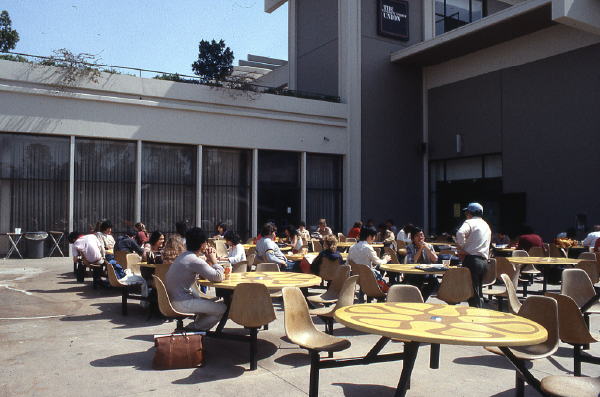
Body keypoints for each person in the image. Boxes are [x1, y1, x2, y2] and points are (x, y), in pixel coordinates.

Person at [165, 227, 227, 332]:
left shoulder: (184, 256)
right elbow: (218, 277)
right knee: (222, 309)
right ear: (202, 245)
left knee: (212, 306)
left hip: (174, 299)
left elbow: (206, 274)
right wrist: (213, 259)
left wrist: (208, 259)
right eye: (206, 243)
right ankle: (192, 329)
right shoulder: (194, 260)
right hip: (181, 302)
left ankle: (195, 328)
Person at [455, 203, 491, 308]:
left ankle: (476, 318)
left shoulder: (469, 222)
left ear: (469, 213)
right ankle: (480, 313)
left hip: (472, 261)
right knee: (478, 292)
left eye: (466, 212)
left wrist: (460, 248)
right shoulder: (486, 225)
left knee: (472, 294)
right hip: (484, 262)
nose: (466, 215)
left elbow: (460, 233)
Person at [404, 227, 439, 301]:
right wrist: (420, 249)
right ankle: (417, 299)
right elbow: (413, 261)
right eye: (417, 236)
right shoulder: (409, 247)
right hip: (413, 272)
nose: (420, 237)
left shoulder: (429, 246)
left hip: (426, 272)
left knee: (434, 281)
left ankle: (422, 299)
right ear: (412, 239)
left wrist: (428, 250)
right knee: (415, 281)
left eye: (421, 235)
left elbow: (435, 260)